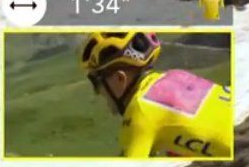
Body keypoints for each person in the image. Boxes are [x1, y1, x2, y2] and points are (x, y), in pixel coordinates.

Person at [78, 31, 234, 159]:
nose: (96, 91)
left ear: (120, 79)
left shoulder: (140, 111)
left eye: (96, 81)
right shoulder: (177, 75)